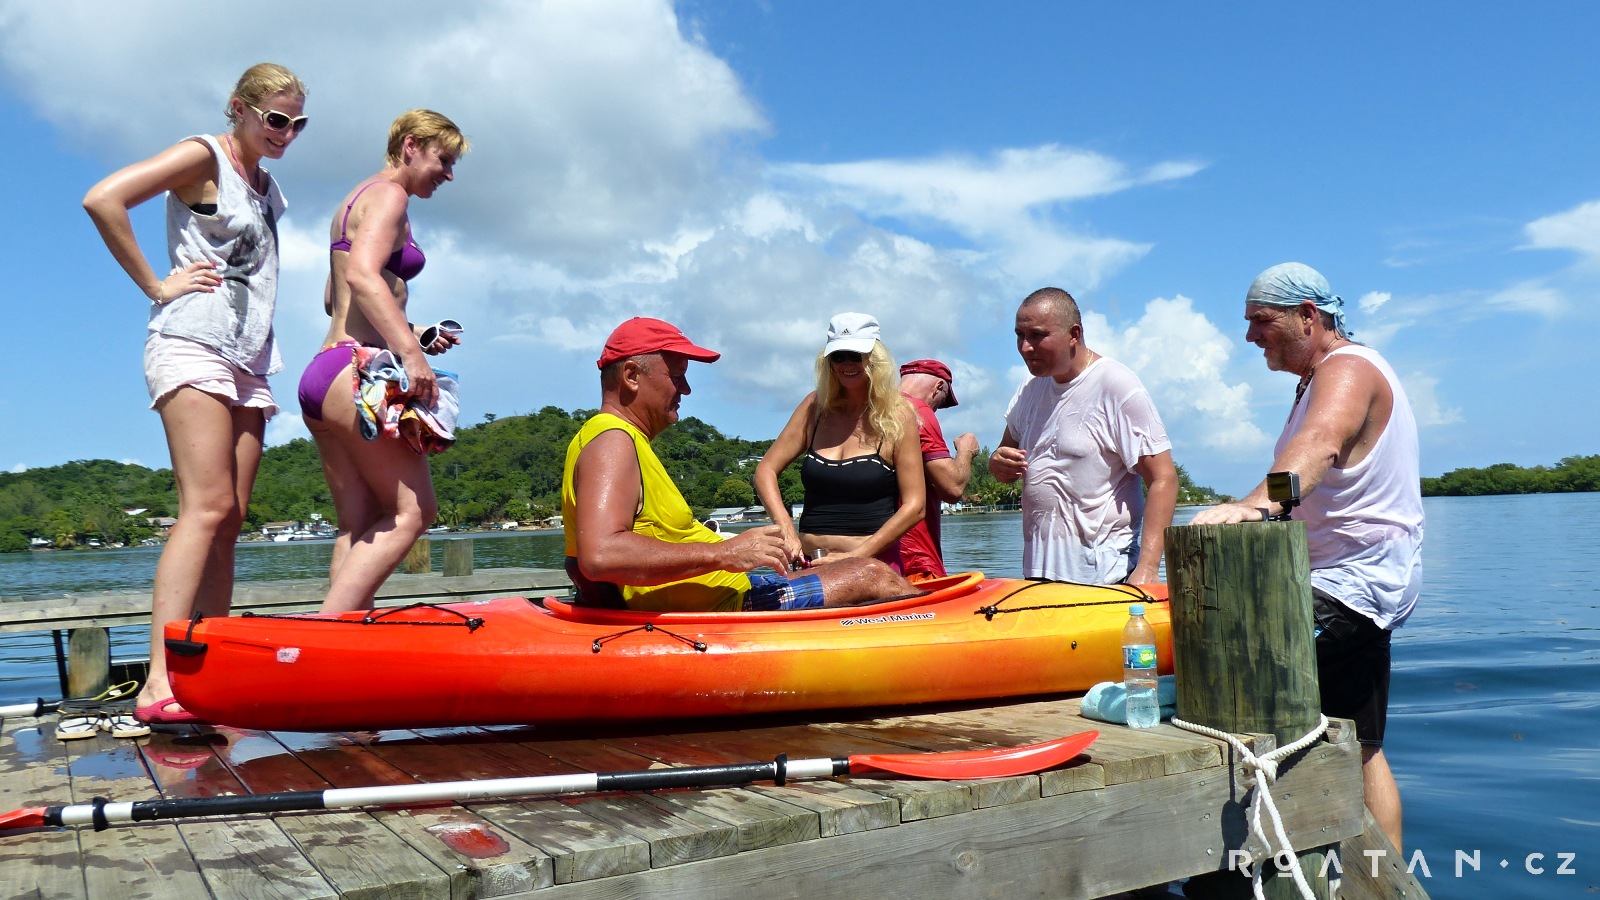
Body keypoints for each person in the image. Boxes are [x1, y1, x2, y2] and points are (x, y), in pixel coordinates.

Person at [83, 63, 308, 725]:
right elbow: (104, 198)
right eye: (275, 120)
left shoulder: (269, 188)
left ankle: (203, 668)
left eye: (297, 124)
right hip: (192, 344)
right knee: (204, 506)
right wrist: (156, 284)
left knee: (232, 516)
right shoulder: (202, 156)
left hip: (249, 358)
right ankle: (159, 680)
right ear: (240, 108)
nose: (286, 134)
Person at [1192, 262, 1422, 852]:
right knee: (1361, 743)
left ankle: (1351, 871)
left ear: (1308, 317)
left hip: (1350, 584)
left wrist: (1255, 508)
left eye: (1261, 322)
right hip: (1352, 580)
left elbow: (1317, 449)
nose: (1250, 337)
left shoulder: (1346, 368)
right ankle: (1376, 875)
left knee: (1246, 692)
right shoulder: (1323, 375)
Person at [563, 317, 917, 612]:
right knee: (872, 575)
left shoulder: (621, 440)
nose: (685, 389)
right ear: (631, 375)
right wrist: (726, 553)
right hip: (723, 602)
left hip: (722, 589)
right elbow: (601, 554)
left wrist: (741, 554)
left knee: (865, 570)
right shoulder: (612, 440)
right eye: (676, 376)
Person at [299, 110, 469, 614]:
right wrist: (412, 355)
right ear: (411, 146)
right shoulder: (391, 195)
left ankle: (337, 649)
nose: (449, 174)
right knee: (414, 513)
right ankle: (327, 640)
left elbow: (336, 297)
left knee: (359, 522)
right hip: (356, 373)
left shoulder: (355, 198)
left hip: (324, 371)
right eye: (444, 159)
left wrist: (415, 331)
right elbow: (362, 279)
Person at [989, 287, 1178, 585]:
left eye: (1037, 335)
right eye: (1019, 335)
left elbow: (1164, 478)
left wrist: (1148, 569)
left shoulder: (1116, 385)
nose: (1025, 347)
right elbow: (1004, 465)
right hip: (1038, 574)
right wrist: (997, 463)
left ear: (1074, 334)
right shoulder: (1029, 387)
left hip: (1105, 576)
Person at [754, 313, 926, 573]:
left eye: (856, 355)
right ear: (828, 361)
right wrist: (787, 530)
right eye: (838, 356)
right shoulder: (815, 407)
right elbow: (765, 470)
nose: (847, 364)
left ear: (874, 358)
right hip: (808, 565)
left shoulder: (898, 415)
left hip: (872, 567)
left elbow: (916, 506)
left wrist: (856, 556)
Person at [896, 359, 979, 578]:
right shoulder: (918, 410)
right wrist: (965, 451)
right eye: (942, 403)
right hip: (915, 561)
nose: (937, 410)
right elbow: (952, 488)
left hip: (878, 558)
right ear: (939, 388)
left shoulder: (872, 410)